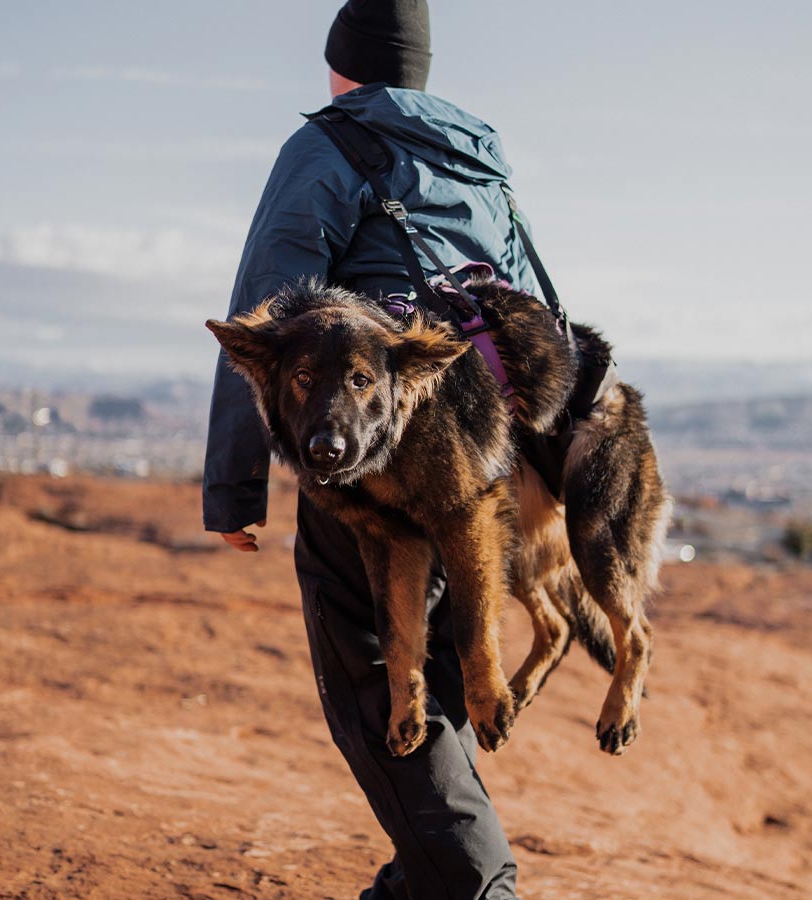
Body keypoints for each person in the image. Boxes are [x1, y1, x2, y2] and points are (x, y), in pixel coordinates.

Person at [203, 2, 538, 897]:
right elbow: (538, 309)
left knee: (392, 707)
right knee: (434, 705)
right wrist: (538, 469)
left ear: (338, 66)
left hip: (372, 490)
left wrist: (235, 493)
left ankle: (481, 882)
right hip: (470, 479)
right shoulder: (481, 158)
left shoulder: (329, 146)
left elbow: (263, 326)